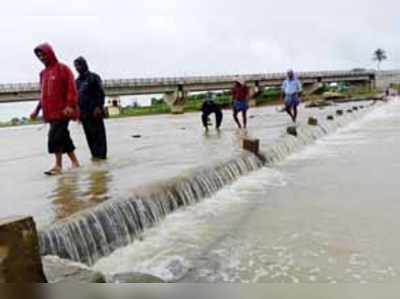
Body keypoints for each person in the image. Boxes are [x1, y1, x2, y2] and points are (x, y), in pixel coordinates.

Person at [30, 43, 80, 176]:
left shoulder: (63, 69)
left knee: (55, 137)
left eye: (43, 54)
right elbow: (43, 95)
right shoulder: (43, 74)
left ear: (50, 53)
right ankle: (75, 163)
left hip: (63, 112)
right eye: (39, 56)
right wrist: (37, 110)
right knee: (64, 138)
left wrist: (70, 105)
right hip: (50, 113)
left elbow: (72, 89)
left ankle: (58, 166)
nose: (41, 58)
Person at [74, 56, 107, 160]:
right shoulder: (77, 81)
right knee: (89, 136)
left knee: (99, 136)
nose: (77, 68)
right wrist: (78, 114)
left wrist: (98, 107)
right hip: (84, 114)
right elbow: (76, 98)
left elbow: (101, 92)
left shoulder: (94, 77)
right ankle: (95, 156)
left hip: (95, 112)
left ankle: (102, 157)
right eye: (75, 66)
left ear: (85, 64)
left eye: (79, 65)